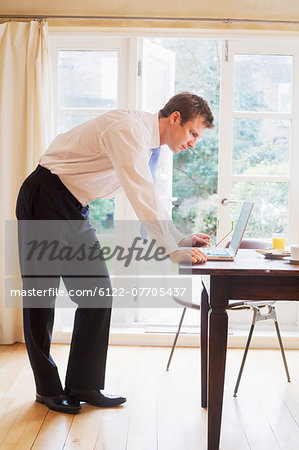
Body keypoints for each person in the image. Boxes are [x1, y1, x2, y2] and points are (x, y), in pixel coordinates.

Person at [15, 92, 214, 414]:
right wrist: (171, 251)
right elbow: (140, 193)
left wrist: (180, 239)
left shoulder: (151, 148)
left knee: (98, 294)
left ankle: (83, 385)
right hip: (45, 196)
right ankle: (47, 389)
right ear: (175, 118)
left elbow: (151, 196)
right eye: (193, 133)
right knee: (41, 295)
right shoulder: (128, 129)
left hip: (74, 205)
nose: (193, 143)